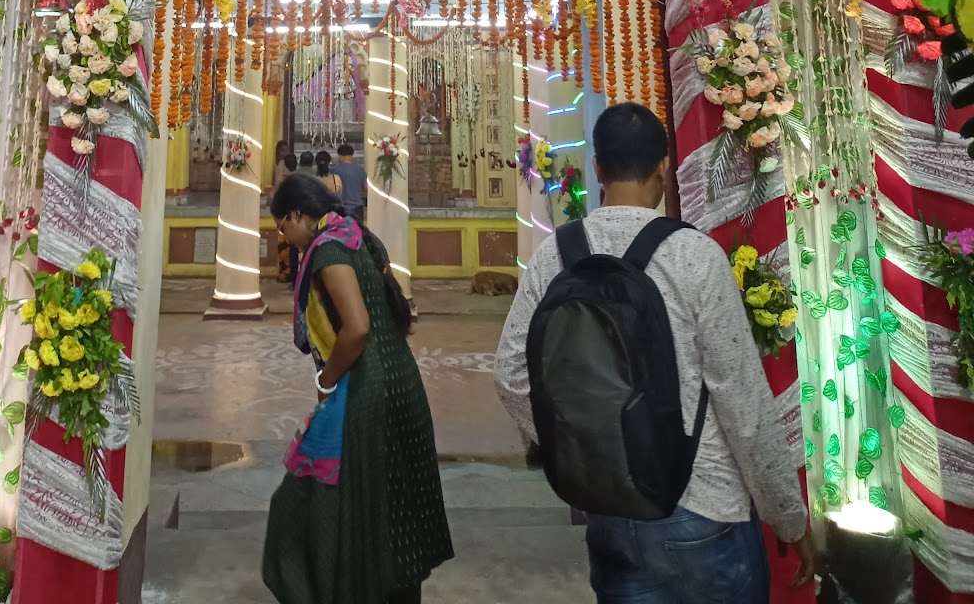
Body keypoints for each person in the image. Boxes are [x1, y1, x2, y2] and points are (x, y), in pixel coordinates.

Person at [494, 103, 814, 604]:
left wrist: (584, 444)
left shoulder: (554, 254)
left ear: (598, 168)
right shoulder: (695, 256)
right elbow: (744, 406)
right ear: (664, 166)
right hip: (703, 509)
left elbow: (511, 376)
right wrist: (789, 518)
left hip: (612, 511)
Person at [264, 173, 453, 603]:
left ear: (298, 214)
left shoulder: (329, 249)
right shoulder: (353, 234)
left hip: (369, 389)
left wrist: (326, 379)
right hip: (401, 380)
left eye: (282, 225)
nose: (283, 235)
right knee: (398, 502)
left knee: (339, 502)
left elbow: (357, 327)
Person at [276, 151, 300, 284]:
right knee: (298, 249)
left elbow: (275, 197)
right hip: (298, 217)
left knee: (285, 248)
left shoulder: (282, 180)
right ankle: (298, 277)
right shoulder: (300, 178)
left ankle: (286, 274)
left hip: (284, 218)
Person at [334, 140, 367, 222]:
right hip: (357, 208)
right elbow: (366, 188)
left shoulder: (334, 170)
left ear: (340, 156)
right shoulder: (360, 170)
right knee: (358, 232)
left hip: (340, 208)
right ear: (352, 155)